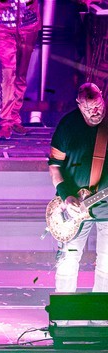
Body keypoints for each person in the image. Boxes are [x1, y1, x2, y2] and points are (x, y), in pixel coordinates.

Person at [50, 83, 108, 292]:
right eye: (89, 108)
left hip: (106, 209)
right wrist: (66, 196)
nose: (95, 112)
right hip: (73, 209)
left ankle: (100, 311)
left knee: (106, 267)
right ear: (78, 104)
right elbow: (54, 167)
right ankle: (64, 310)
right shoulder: (68, 125)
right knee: (68, 262)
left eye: (98, 105)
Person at [0, 0, 41, 139]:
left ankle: (13, 118)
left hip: (29, 26)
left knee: (20, 75)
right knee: (8, 74)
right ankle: (5, 122)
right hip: (3, 27)